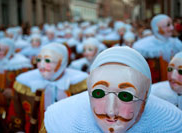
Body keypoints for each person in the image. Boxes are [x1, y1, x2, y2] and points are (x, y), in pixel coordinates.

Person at [43, 46, 182, 132]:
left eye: (126, 96)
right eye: (99, 93)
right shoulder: (59, 126)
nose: (110, 111)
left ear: (144, 100)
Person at [11, 43, 88, 133]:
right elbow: (16, 113)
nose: (41, 65)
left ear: (62, 62)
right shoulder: (25, 82)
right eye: (39, 59)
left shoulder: (80, 83)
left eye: (48, 60)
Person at [133, 14, 182, 83]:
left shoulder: (176, 43)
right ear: (157, 28)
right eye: (168, 25)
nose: (172, 28)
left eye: (172, 24)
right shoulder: (142, 46)